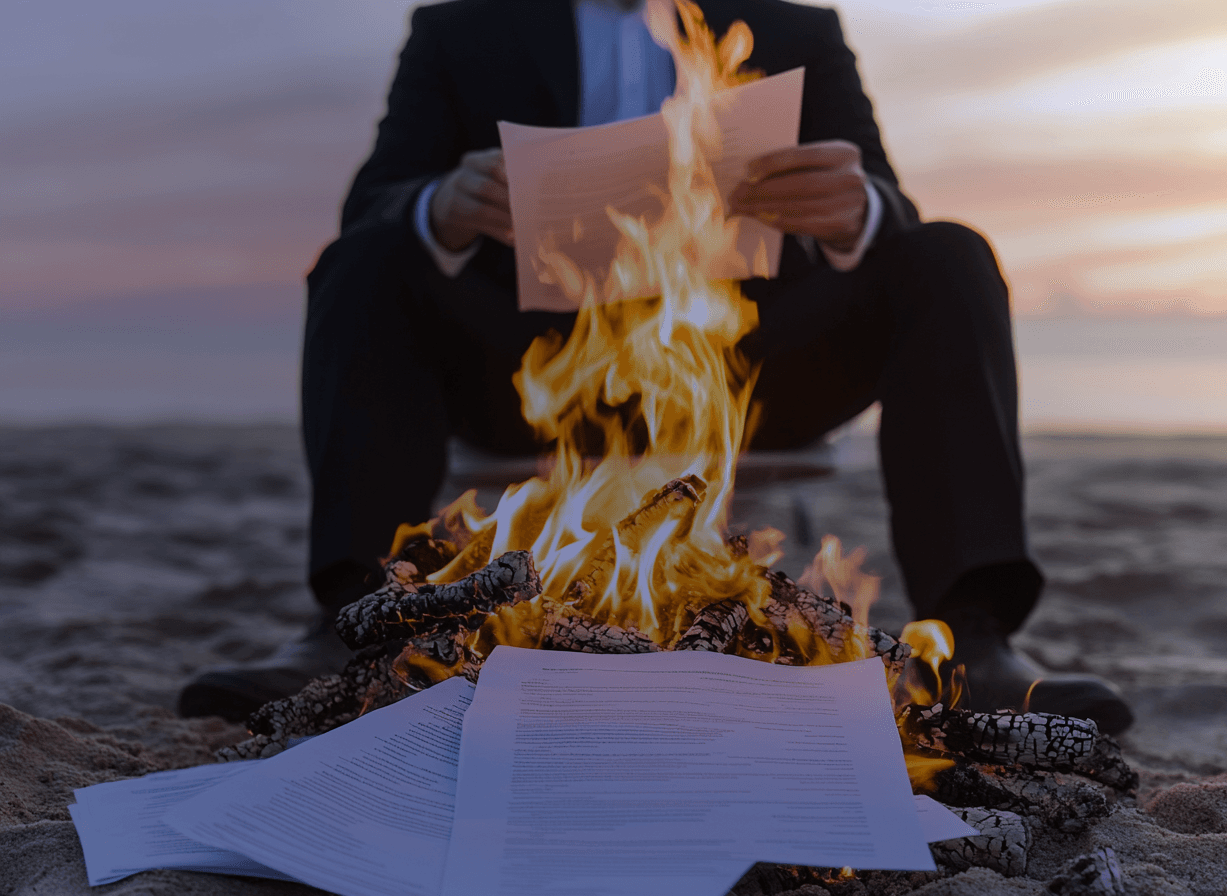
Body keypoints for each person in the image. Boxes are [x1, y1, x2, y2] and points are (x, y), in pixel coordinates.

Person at [180, 0, 1133, 733]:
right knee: (367, 259)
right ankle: (354, 622)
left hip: (750, 372)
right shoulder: (461, 30)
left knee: (946, 253)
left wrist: (857, 212)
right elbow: (374, 203)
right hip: (529, 376)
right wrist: (444, 204)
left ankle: (971, 636)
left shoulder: (796, 25)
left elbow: (882, 202)